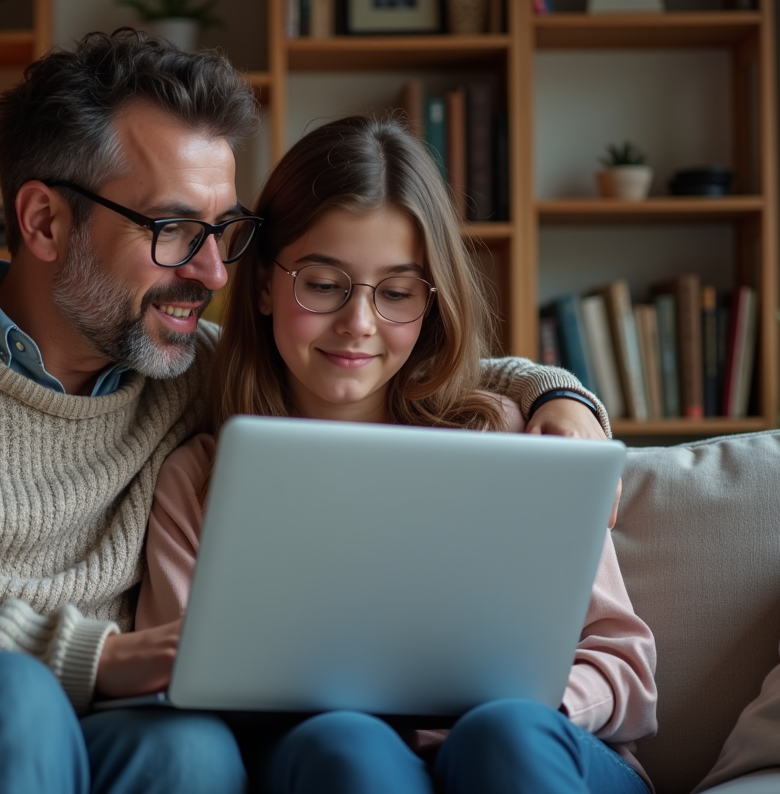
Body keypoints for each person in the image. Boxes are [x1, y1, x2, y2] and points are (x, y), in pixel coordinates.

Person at [0, 31, 611, 794]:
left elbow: (375, 357)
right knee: (10, 698)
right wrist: (89, 655)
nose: (210, 272)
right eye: (172, 231)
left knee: (188, 753)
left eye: (224, 231)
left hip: (64, 721)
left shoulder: (185, 370)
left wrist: (558, 396)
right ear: (43, 222)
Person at [135, 115, 657, 794]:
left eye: (398, 293)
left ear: (431, 300)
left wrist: (541, 705)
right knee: (342, 740)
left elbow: (624, 664)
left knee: (502, 733)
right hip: (332, 763)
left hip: (538, 753)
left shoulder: (511, 441)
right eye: (323, 284)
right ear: (262, 285)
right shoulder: (201, 481)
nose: (359, 323)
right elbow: (187, 690)